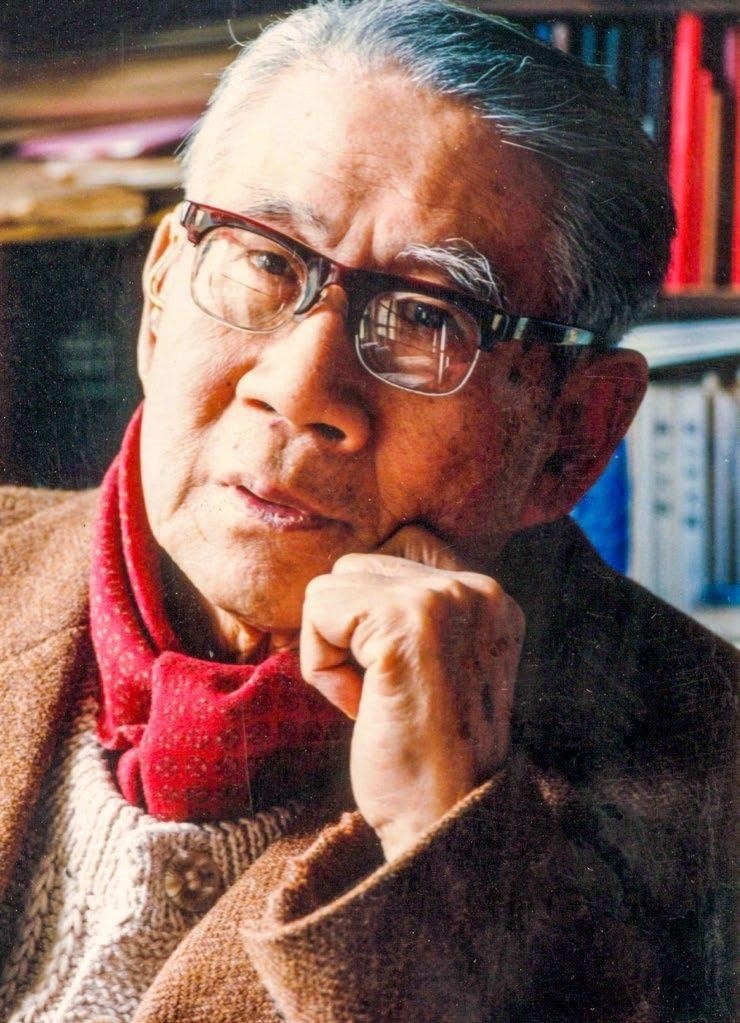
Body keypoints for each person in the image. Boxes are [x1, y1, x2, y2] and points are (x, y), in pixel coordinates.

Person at [0, 1, 735, 1020]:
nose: (300, 389)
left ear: (574, 431)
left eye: (428, 318)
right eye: (266, 261)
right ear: (161, 293)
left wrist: (444, 841)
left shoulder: (711, 784)